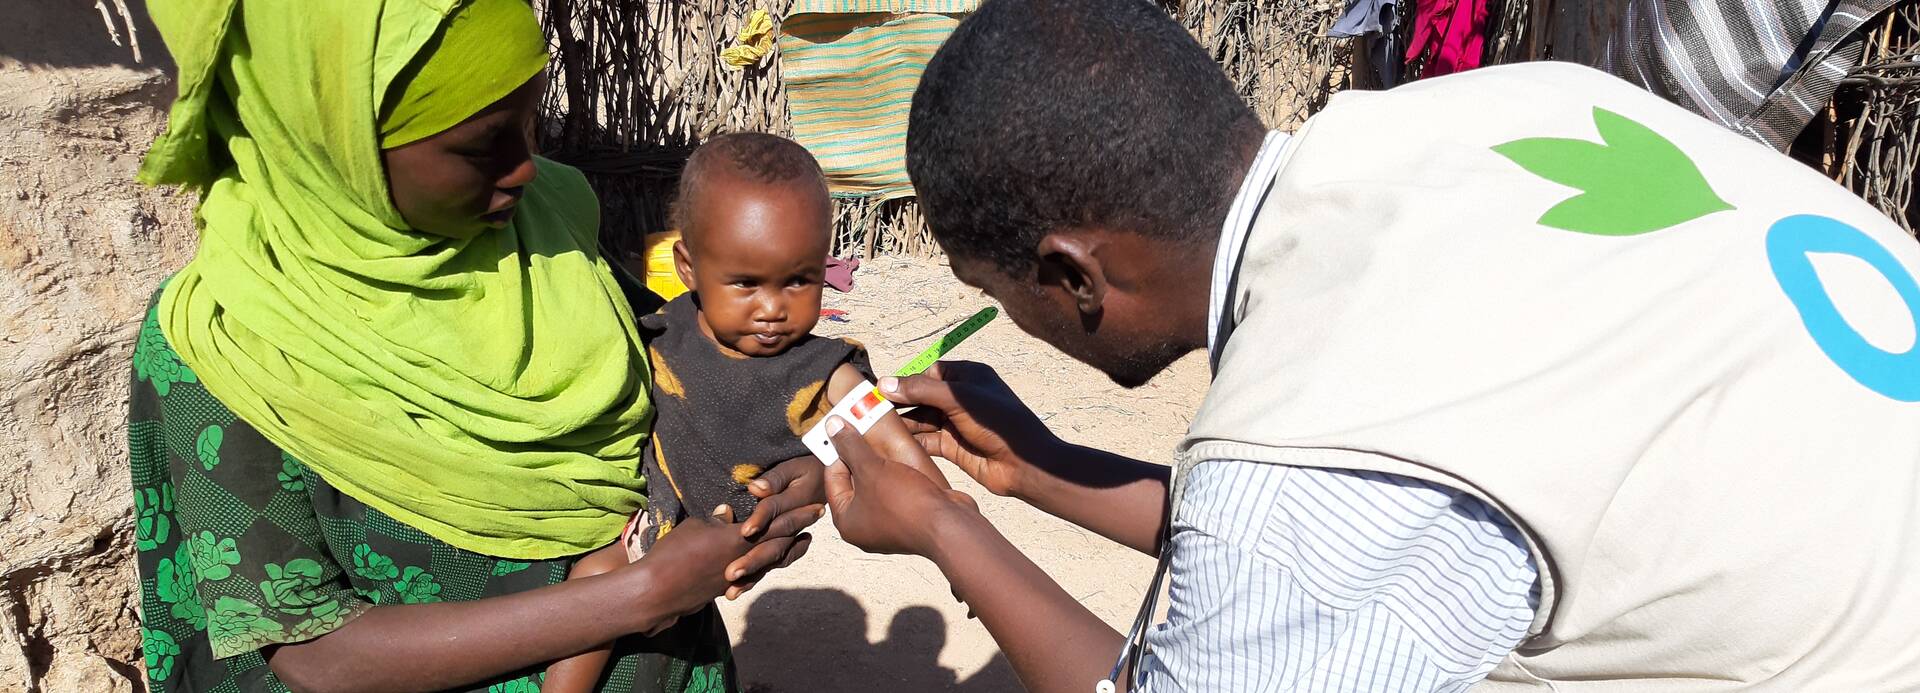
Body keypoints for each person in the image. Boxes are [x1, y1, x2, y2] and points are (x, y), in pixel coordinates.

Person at [817, 0, 1920, 690]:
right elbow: (1378, 540)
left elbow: (1310, 529)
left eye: (995, 291)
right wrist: (1036, 469)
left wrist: (944, 529)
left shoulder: (1305, 449)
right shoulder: (1499, 112)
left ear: (1072, 276)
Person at [128, 2, 824, 691]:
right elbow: (313, 653)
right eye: (480, 143)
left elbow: (701, 376)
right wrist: (641, 594)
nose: (526, 167)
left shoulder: (550, 232)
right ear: (334, 136)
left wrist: (792, 473)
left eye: (529, 124)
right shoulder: (226, 339)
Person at [543, 133, 944, 693]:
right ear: (688, 266)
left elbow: (891, 439)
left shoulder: (822, 369)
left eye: (800, 280)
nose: (774, 308)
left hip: (732, 535)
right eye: (746, 284)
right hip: (656, 508)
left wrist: (947, 519)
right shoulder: (664, 328)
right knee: (598, 579)